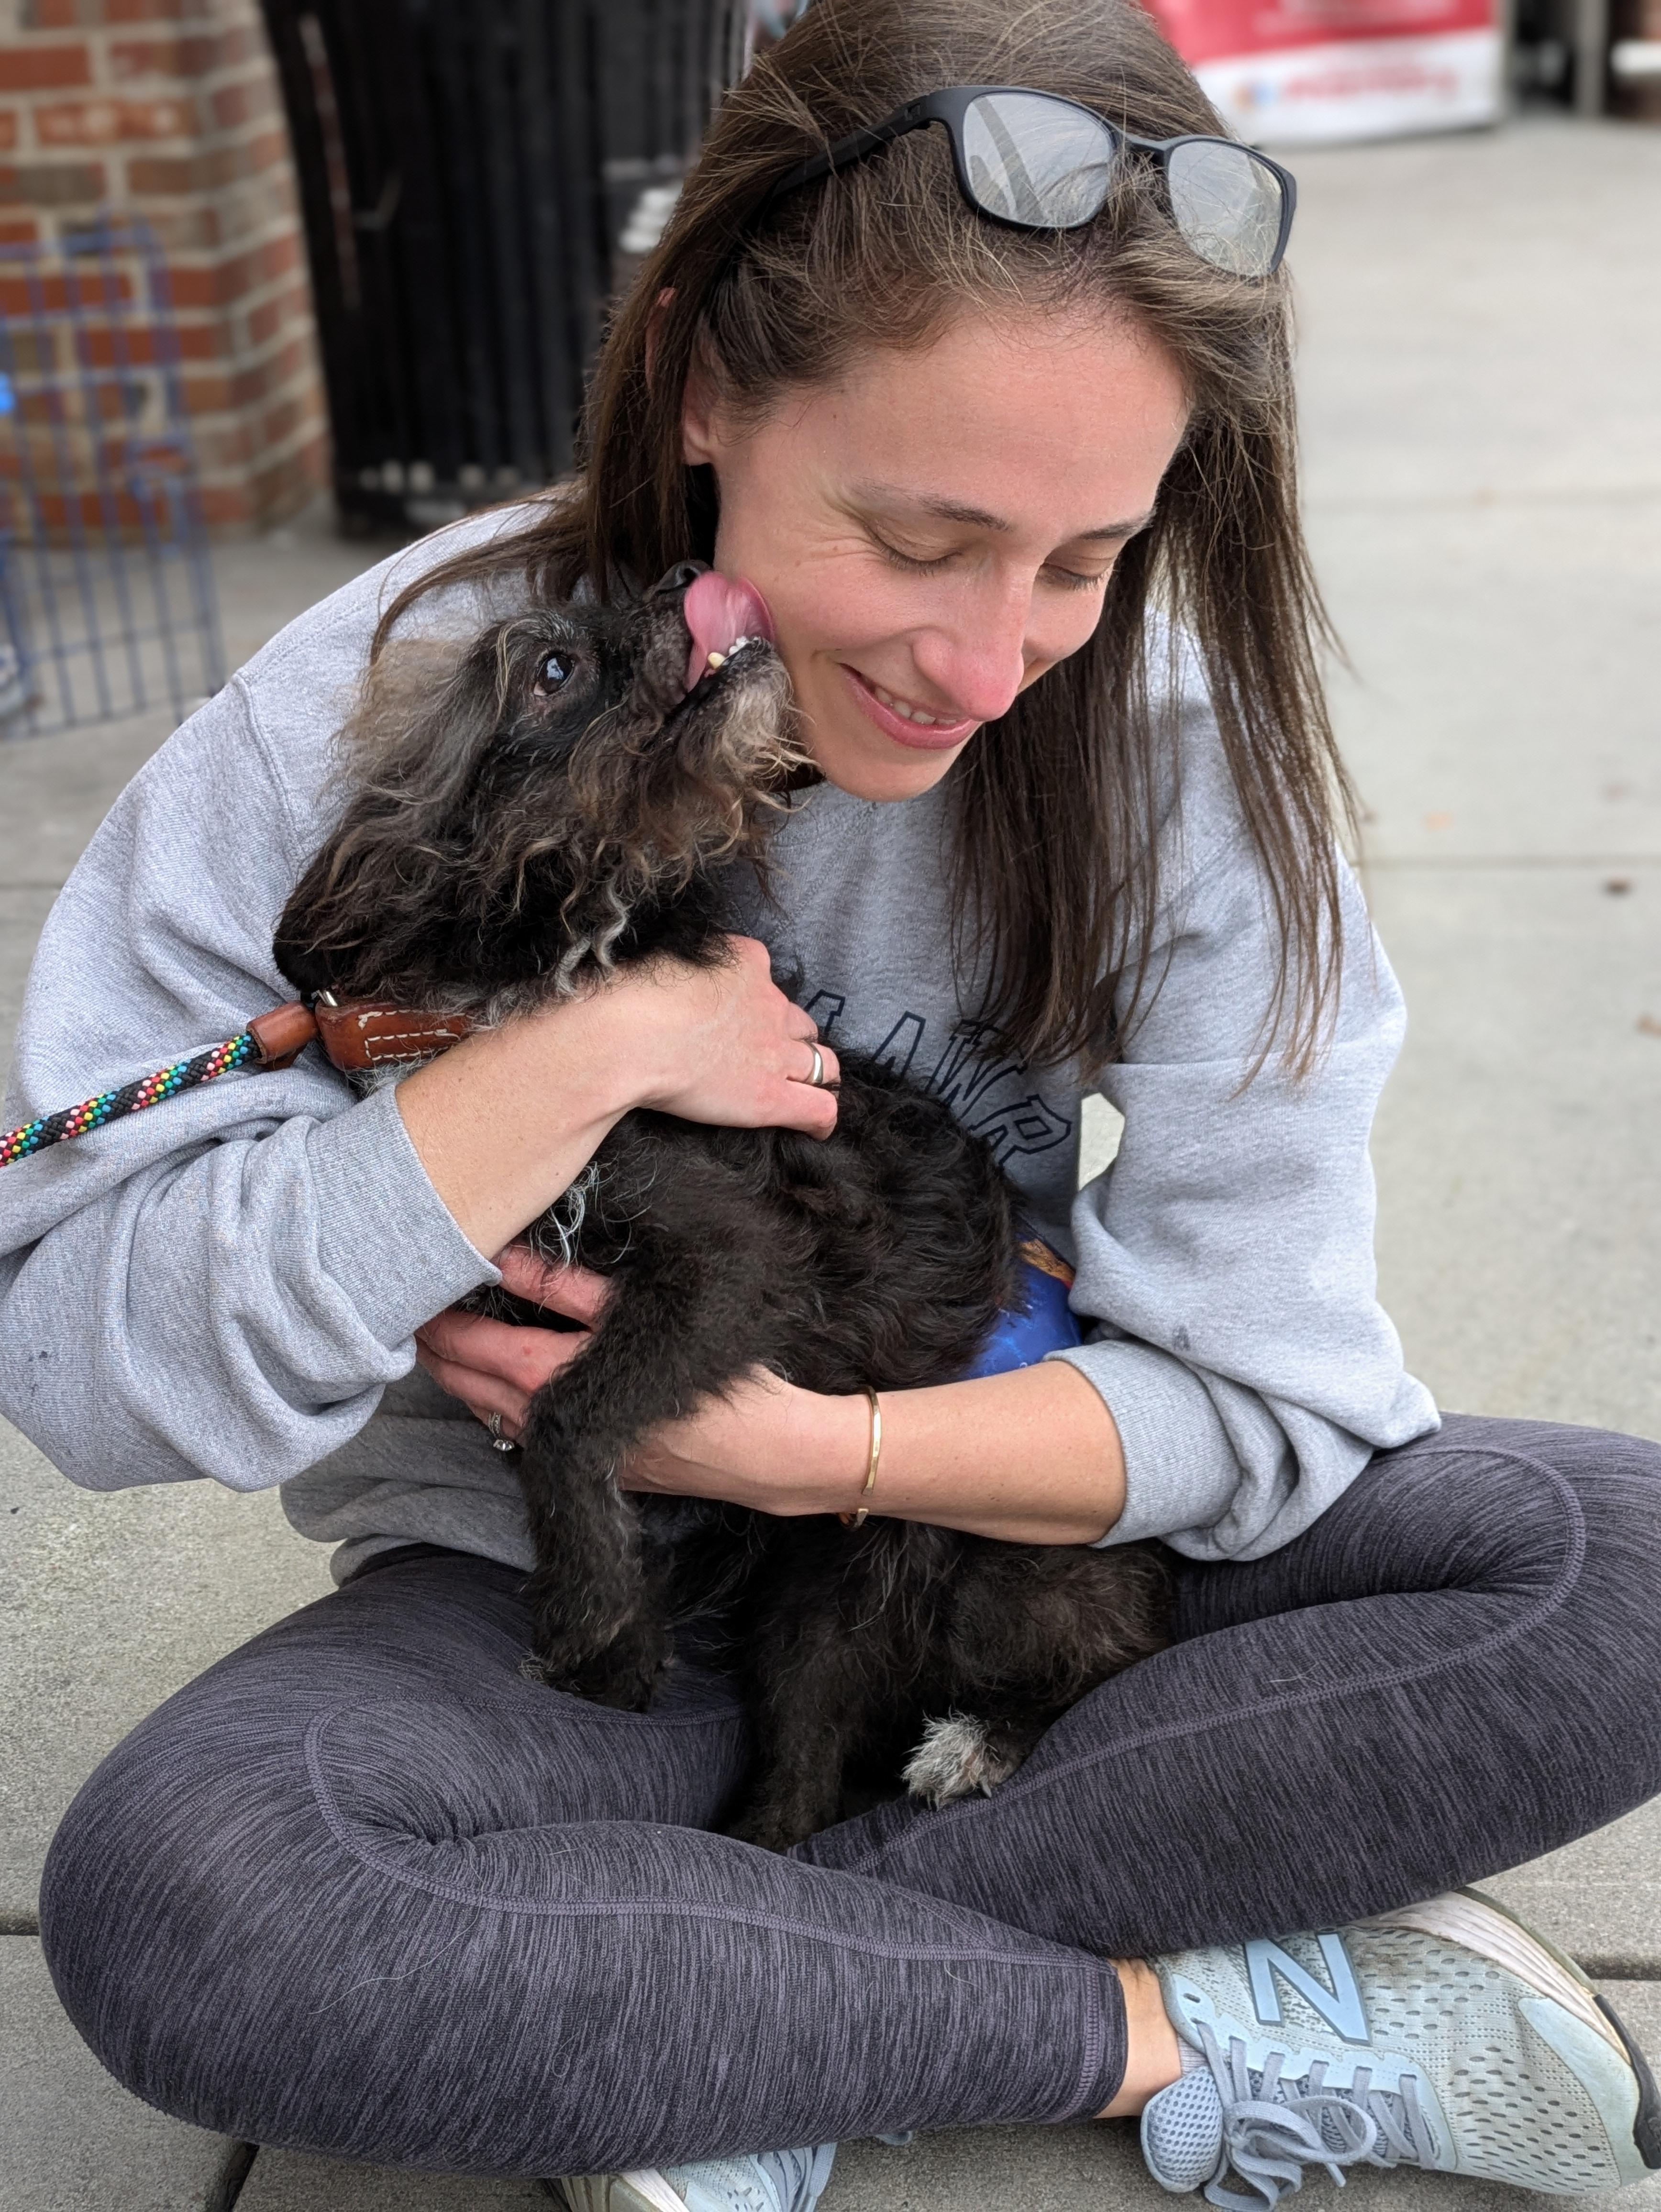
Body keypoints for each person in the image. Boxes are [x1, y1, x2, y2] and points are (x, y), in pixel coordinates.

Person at [3, 2, 1659, 2208]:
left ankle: (698, 2004)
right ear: (698, 374)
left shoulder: (1178, 773)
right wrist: (578, 1058)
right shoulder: (404, 705)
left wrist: (809, 1450)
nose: (988, 661)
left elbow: (1273, 1408)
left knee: (1625, 1569)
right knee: (191, 1900)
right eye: (914, 530)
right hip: (559, 1614)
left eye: (1081, 561)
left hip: (984, 1534)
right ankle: (1186, 2020)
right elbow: (78, 1344)